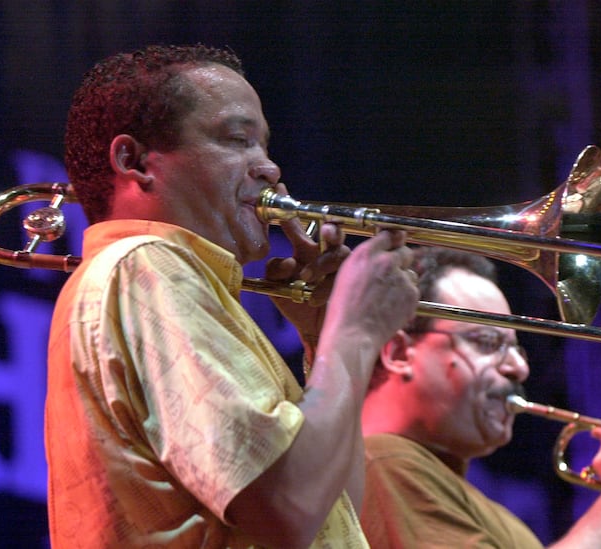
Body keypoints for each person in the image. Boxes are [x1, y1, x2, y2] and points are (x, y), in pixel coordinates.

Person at [46, 44, 420, 548]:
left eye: (264, 146)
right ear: (134, 161)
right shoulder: (146, 266)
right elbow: (286, 510)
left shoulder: (178, 281)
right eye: (237, 140)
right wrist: (353, 334)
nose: (268, 168)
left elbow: (330, 512)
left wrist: (322, 337)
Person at [360, 246, 601, 548]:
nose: (519, 368)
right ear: (399, 353)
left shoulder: (464, 497)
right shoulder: (383, 461)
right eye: (488, 343)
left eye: (518, 349)